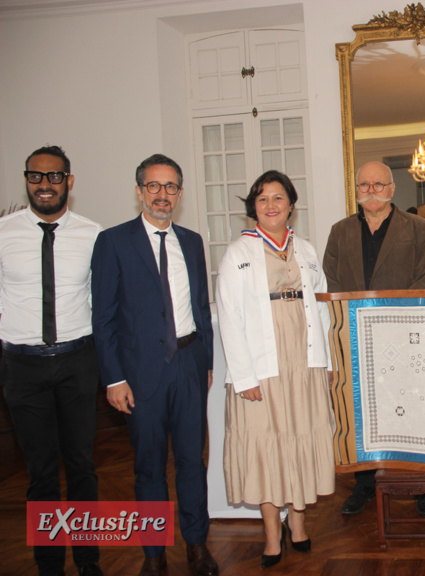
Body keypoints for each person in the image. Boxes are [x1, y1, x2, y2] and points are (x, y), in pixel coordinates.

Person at [91, 154, 217, 576]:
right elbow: (103, 318)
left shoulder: (192, 242)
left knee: (192, 462)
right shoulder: (113, 242)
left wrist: (206, 362)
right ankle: (154, 554)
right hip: (140, 373)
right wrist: (114, 378)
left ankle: (197, 546)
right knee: (149, 467)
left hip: (189, 365)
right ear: (139, 191)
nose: (162, 194)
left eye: (170, 186)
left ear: (180, 193)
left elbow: (200, 307)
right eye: (153, 185)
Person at [215, 170, 335, 568]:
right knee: (266, 446)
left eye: (278, 197)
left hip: (303, 363)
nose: (271, 205)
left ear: (291, 205)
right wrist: (243, 377)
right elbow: (229, 318)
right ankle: (271, 534)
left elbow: (321, 307)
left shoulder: (306, 249)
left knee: (300, 439)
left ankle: (297, 525)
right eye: (262, 198)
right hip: (261, 366)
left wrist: (327, 361)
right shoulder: (238, 252)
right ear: (254, 207)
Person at [0, 146, 104, 576]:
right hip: (22, 367)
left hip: (77, 362)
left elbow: (102, 301)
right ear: (26, 180)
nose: (45, 184)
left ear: (69, 181)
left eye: (54, 176)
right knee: (40, 473)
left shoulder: (93, 234)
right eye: (36, 176)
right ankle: (49, 566)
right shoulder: (3, 234)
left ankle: (88, 561)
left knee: (81, 466)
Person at [323, 160, 425, 515]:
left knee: (412, 412)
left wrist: (393, 324)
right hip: (356, 341)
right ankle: (364, 484)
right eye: (364, 185)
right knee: (363, 415)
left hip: (405, 339)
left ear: (391, 189)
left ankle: (421, 485)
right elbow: (330, 282)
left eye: (378, 184)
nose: (371, 191)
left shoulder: (417, 228)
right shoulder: (339, 231)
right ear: (356, 190)